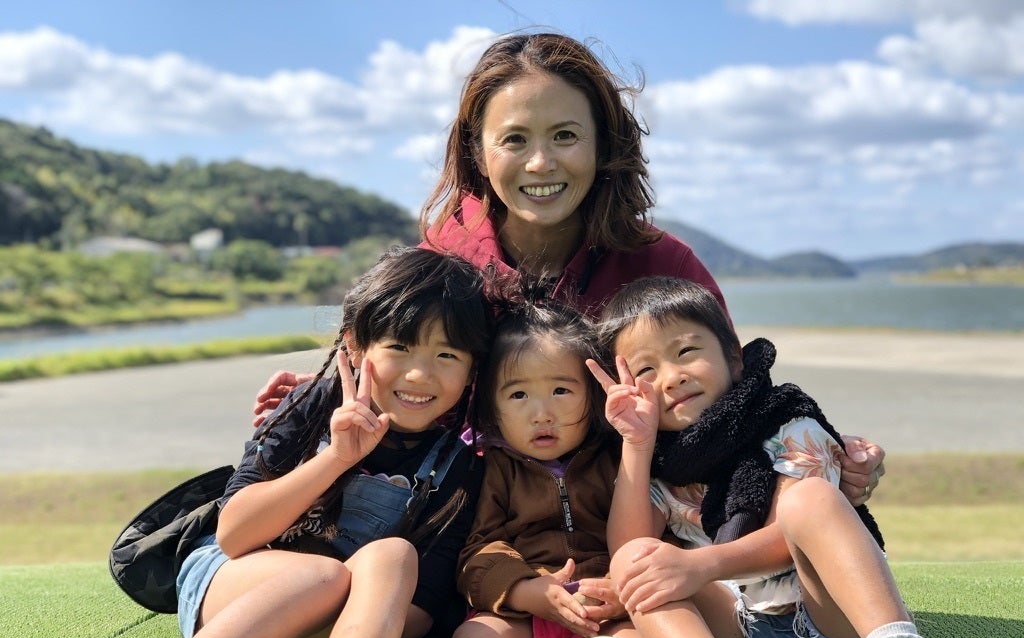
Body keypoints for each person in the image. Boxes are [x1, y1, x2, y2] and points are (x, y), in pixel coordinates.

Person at [250, 31, 886, 505]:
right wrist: (330, 393)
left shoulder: (663, 266)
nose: (540, 163)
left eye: (565, 136)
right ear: (477, 151)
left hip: (637, 515)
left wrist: (833, 454)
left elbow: (728, 402)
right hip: (477, 519)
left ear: (603, 144)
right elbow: (417, 375)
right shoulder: (445, 257)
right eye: (515, 139)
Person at [54, 247, 494, 638]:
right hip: (236, 588)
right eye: (399, 346)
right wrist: (336, 458)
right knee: (321, 576)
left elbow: (418, 608)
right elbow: (234, 535)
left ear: (472, 369)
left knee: (393, 556)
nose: (420, 375)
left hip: (339, 634)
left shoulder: (461, 464)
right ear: (355, 346)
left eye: (447, 355)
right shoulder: (311, 406)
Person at [572, 276, 958, 638]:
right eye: (646, 369)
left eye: (686, 351)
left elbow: (796, 535)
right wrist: (637, 443)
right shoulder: (665, 468)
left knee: (811, 498)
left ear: (734, 358)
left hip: (833, 628)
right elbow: (626, 552)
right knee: (637, 559)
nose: (671, 377)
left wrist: (702, 565)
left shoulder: (789, 424)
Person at [365, 294, 692, 638]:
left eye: (561, 391)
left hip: (604, 619)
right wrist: (526, 591)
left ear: (594, 393)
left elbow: (656, 537)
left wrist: (623, 590)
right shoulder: (489, 468)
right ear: (491, 409)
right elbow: (477, 552)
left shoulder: (618, 457)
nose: (542, 413)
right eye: (518, 395)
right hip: (519, 619)